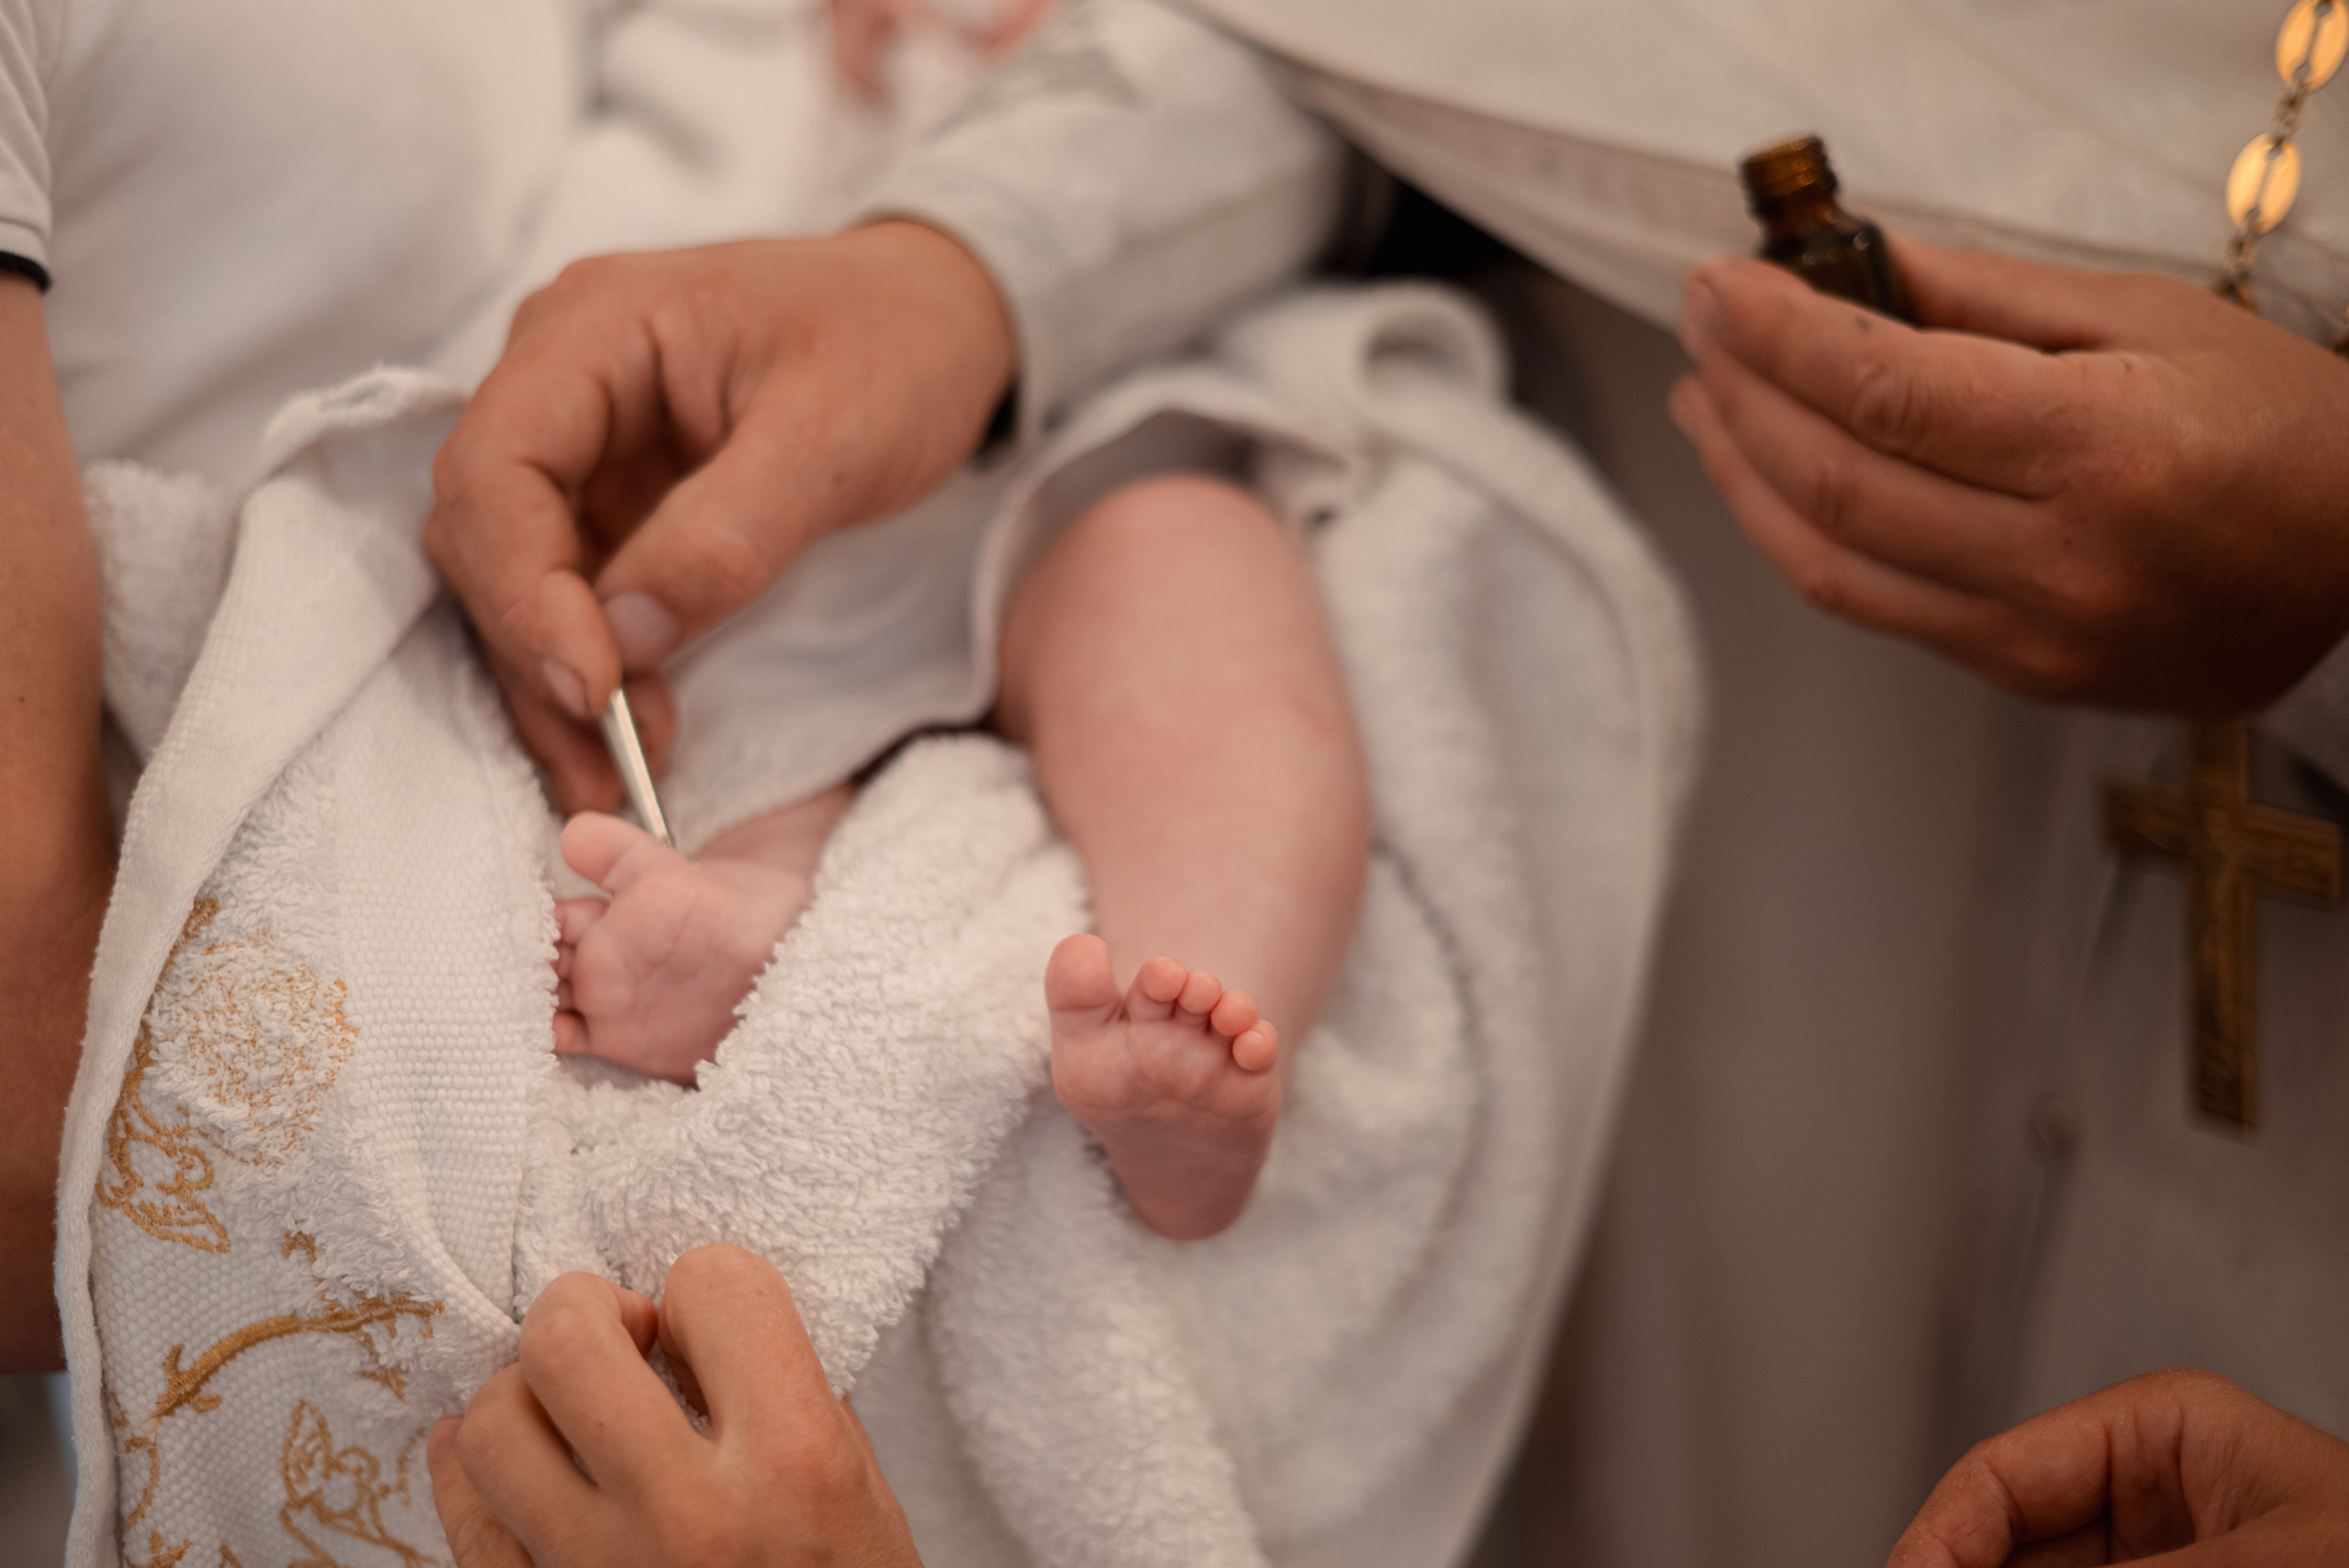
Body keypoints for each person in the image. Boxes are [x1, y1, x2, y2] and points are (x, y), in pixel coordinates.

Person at [421, 0, 2349, 1554]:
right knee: (750, 681)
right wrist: (955, 256)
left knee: (1189, 626)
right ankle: (757, 912)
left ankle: (1193, 1010)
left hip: (1124, 454)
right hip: (905, 405)